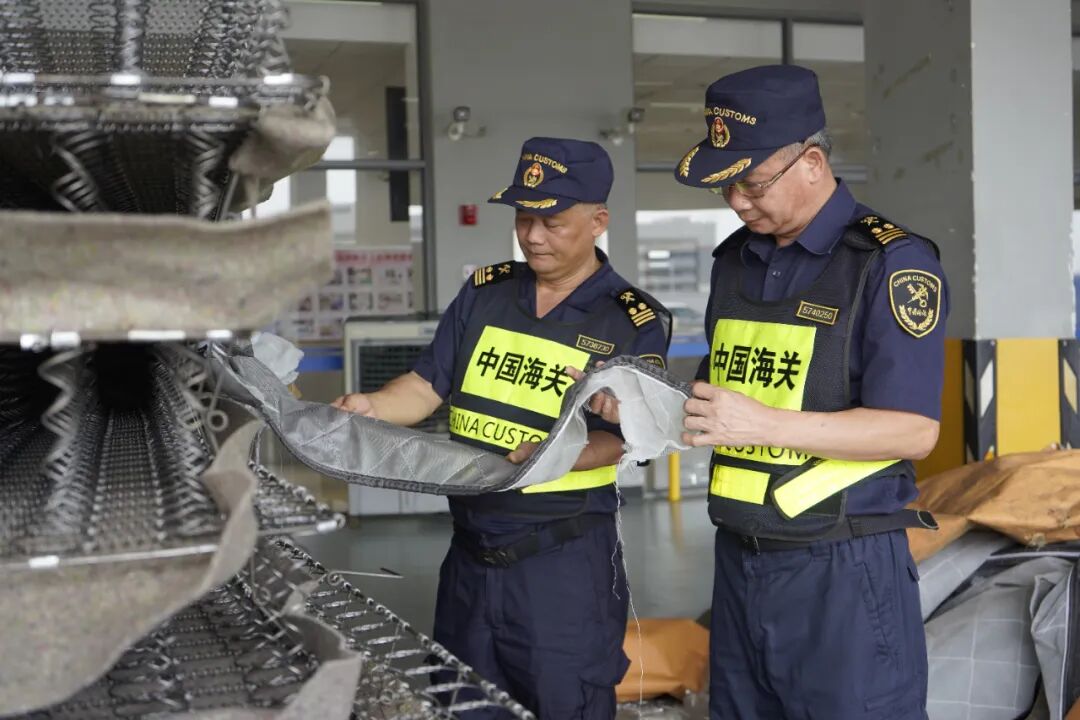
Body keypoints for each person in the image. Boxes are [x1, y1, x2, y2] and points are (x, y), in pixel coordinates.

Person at [334, 137, 671, 718]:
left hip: (561, 567)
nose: (533, 236)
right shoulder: (486, 291)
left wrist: (555, 456)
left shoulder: (629, 318)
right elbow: (425, 385)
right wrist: (371, 405)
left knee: (566, 702)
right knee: (463, 703)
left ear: (598, 221)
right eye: (523, 218)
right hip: (469, 557)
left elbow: (628, 437)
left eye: (552, 221)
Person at [672, 65, 948, 718]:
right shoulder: (735, 263)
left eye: (751, 181)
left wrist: (765, 424)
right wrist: (647, 400)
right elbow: (726, 387)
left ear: (813, 162)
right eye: (725, 186)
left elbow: (914, 430)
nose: (738, 201)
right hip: (740, 559)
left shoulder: (887, 263)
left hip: (844, 571)